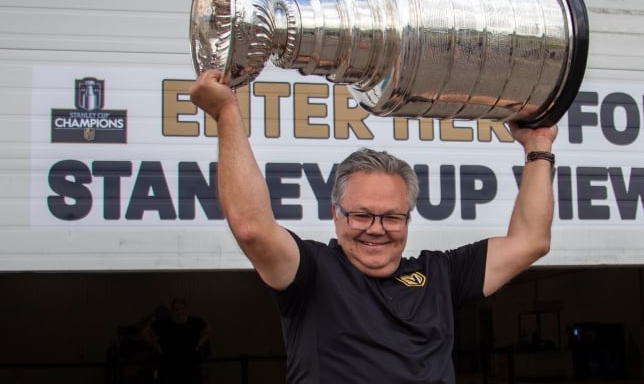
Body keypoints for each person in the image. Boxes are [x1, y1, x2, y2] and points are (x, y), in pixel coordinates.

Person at [189, 69, 558, 383]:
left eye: (392, 217)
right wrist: (226, 113)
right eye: (361, 214)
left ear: (408, 219)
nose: (376, 229)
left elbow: (530, 241)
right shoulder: (312, 274)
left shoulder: (441, 274)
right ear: (336, 213)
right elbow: (252, 227)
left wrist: (538, 145)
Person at [142, 298, 211, 384]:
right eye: (177, 309)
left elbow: (208, 331)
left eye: (182, 308)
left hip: (191, 365)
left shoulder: (196, 322)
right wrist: (155, 345)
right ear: (172, 311)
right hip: (169, 366)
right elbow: (146, 332)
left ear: (186, 310)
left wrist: (199, 345)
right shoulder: (163, 323)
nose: (179, 311)